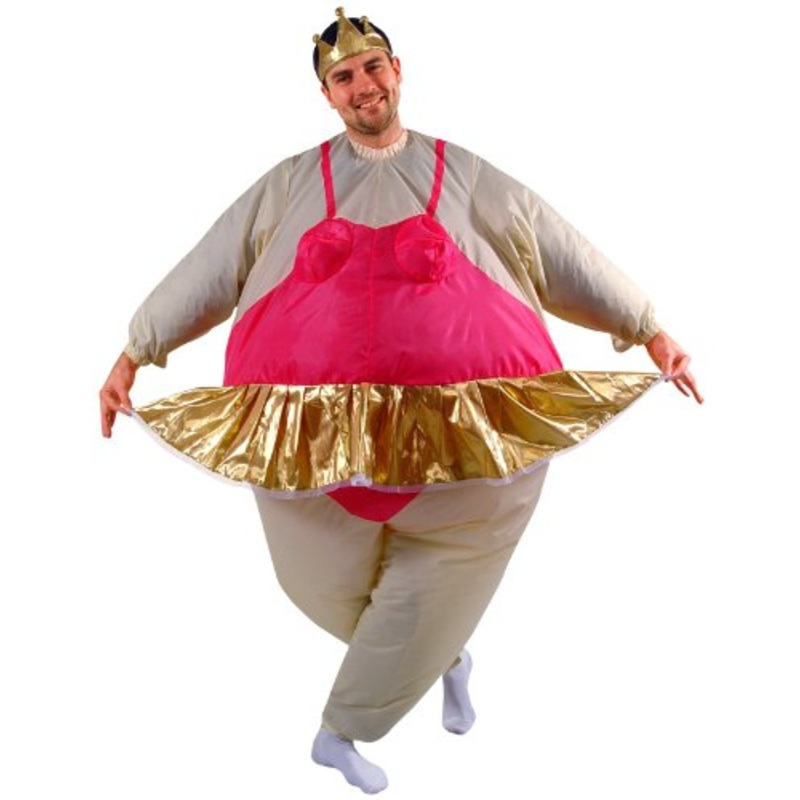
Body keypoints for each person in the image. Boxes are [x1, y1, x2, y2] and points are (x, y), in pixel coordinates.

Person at [99, 8, 703, 794]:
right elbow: (210, 266)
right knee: (314, 580)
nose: (364, 86)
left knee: (461, 550)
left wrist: (648, 328)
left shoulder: (463, 173)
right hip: (313, 436)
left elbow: (555, 245)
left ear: (398, 71)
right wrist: (135, 350)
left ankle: (340, 731)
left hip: (463, 428)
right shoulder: (289, 184)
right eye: (344, 77)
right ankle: (440, 654)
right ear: (327, 95)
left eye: (373, 67)